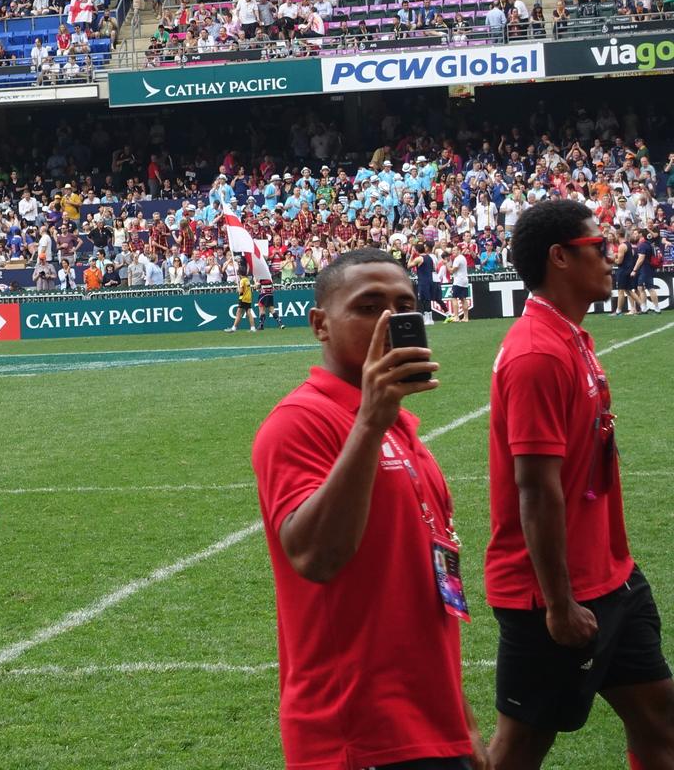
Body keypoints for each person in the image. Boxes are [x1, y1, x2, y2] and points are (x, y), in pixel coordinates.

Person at [251, 248, 487, 769]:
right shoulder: (299, 422)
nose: (392, 319)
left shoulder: (399, 428)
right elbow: (317, 558)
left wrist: (462, 719)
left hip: (432, 727)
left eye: (405, 305)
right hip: (357, 737)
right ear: (320, 325)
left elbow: (427, 583)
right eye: (368, 306)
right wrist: (370, 422)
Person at [485, 200, 674, 769]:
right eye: (599, 247)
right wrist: (561, 604)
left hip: (610, 576)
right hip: (551, 594)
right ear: (560, 258)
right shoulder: (538, 352)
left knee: (660, 720)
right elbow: (537, 490)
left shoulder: (572, 338)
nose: (612, 258)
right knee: (517, 754)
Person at [230, 267, 257, 331]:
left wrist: (238, 288)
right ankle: (253, 328)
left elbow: (241, 291)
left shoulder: (242, 281)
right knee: (249, 313)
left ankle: (234, 328)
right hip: (248, 298)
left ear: (240, 274)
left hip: (243, 298)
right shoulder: (247, 280)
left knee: (238, 313)